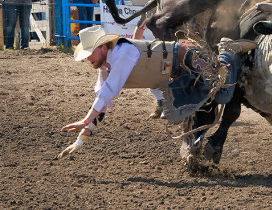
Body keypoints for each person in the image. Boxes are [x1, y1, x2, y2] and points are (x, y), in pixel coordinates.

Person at [57, 25, 256, 159]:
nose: (87, 58)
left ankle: (226, 50)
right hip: (175, 75)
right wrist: (81, 138)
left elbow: (107, 93)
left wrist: (84, 120)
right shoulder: (106, 66)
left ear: (102, 47)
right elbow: (102, 101)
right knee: (192, 109)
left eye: (89, 53)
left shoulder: (123, 52)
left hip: (188, 57)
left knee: (223, 94)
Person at [133, 0, 168, 118]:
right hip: (159, 47)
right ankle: (162, 103)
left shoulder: (174, 5)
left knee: (168, 74)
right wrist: (134, 45)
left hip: (174, 47)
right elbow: (140, 27)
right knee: (153, 75)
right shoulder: (150, 7)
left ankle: (168, 104)